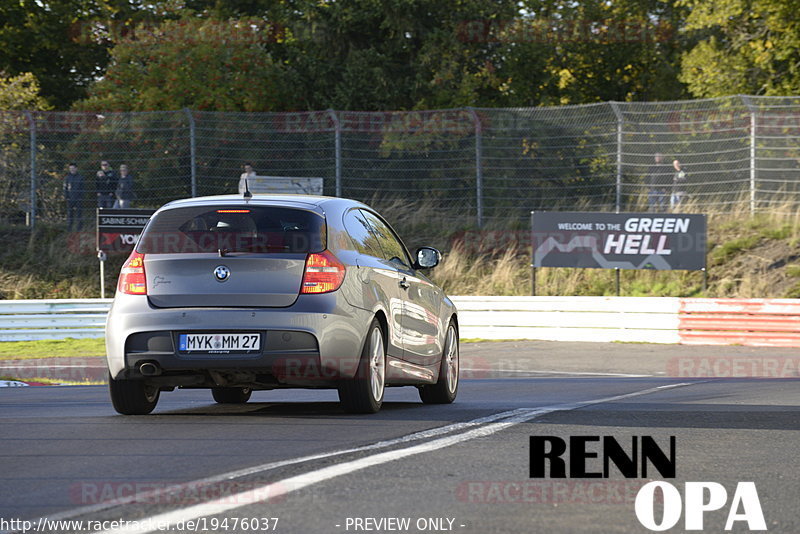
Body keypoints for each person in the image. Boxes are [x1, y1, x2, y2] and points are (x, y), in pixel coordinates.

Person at [63, 163, 84, 230]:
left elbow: (83, 188)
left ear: (76, 168)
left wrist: (81, 197)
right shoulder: (67, 178)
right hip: (70, 198)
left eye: (73, 168)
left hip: (78, 198)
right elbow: (65, 188)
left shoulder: (80, 177)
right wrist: (66, 197)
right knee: (70, 214)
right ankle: (69, 227)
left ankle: (79, 228)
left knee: (79, 213)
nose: (72, 170)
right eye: (70, 169)